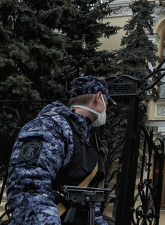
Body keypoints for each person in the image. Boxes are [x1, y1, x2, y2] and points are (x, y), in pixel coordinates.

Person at [7, 76, 115, 225]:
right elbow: (28, 189)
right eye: (107, 102)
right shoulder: (50, 125)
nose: (107, 108)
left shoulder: (84, 138)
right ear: (98, 97)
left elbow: (87, 202)